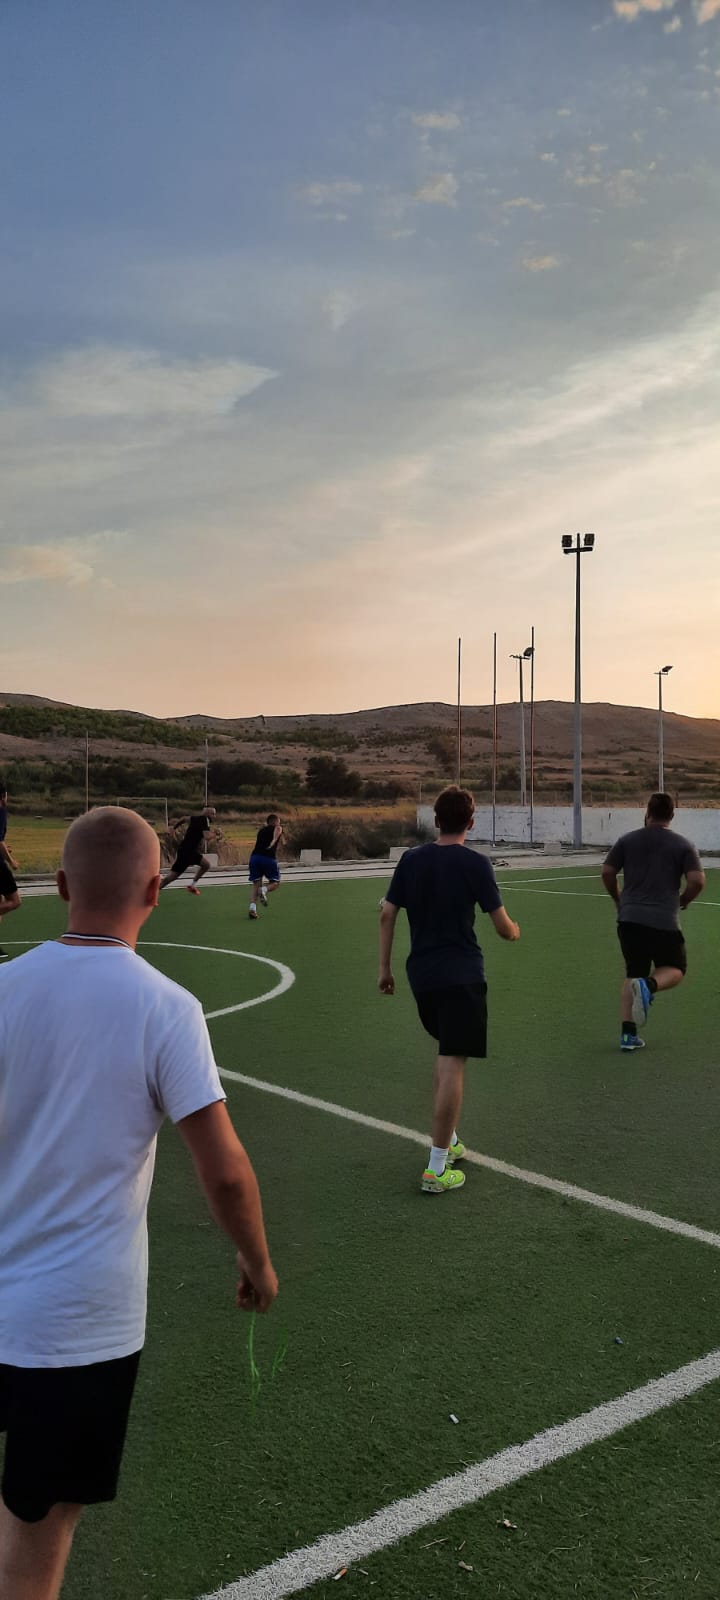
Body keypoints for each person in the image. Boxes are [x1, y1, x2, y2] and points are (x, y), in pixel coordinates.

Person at [0, 807, 278, 1600]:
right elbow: (225, 1172)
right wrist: (257, 1262)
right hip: (76, 1325)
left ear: (60, 886)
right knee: (38, 1532)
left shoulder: (3, 988)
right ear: (156, 890)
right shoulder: (165, 1007)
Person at [378, 785, 520, 1195]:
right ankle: (437, 1168)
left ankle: (450, 1139)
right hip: (461, 975)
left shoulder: (411, 859)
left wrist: (385, 969)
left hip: (421, 975)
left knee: (445, 1054)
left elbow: (387, 913)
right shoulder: (476, 863)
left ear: (436, 820)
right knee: (453, 1061)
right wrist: (514, 931)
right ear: (471, 823)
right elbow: (502, 925)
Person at [601, 791, 705, 1052]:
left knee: (633, 973)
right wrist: (684, 900)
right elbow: (697, 881)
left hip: (629, 920)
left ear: (647, 812)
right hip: (663, 921)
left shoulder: (627, 840)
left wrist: (618, 898)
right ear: (672, 815)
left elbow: (607, 872)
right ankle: (649, 985)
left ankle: (628, 1036)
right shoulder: (683, 845)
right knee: (676, 969)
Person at [159, 806, 217, 894]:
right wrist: (216, 833)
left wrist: (174, 828)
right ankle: (154, 890)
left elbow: (183, 819)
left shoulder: (195, 818)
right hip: (188, 852)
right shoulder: (205, 820)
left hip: (188, 850)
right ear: (207, 814)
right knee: (173, 876)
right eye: (213, 814)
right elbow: (207, 837)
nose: (214, 816)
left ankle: (192, 886)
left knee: (206, 865)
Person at [248, 813, 284, 920]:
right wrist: (274, 841)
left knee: (256, 885)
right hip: (268, 859)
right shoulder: (277, 828)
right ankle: (264, 890)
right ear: (276, 821)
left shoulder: (261, 831)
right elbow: (278, 832)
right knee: (275, 883)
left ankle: (252, 909)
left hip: (254, 858)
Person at [0, 787, 22, 962]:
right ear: (3, 796)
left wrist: (5, 849)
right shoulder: (1, 811)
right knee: (14, 901)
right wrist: (11, 861)